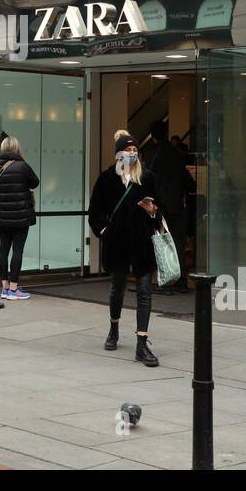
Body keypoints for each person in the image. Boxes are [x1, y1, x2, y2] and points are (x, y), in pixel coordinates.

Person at [88, 130, 162, 367]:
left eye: (135, 151)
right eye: (128, 151)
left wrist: (152, 211)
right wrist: (105, 232)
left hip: (141, 241)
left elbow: (160, 209)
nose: (132, 154)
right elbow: (95, 212)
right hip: (117, 241)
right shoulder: (107, 178)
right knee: (117, 289)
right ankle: (114, 328)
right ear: (119, 154)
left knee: (144, 291)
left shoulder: (147, 178)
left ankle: (142, 343)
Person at [0, 135, 39, 300]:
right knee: (17, 250)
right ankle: (13, 288)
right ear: (17, 149)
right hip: (20, 216)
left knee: (4, 249)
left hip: (2, 215)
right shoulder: (22, 166)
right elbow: (35, 183)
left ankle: (4, 287)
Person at [146, 120, 190, 293]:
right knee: (178, 242)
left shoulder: (152, 155)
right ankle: (181, 280)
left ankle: (165, 279)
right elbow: (185, 180)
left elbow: (149, 180)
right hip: (178, 204)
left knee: (162, 242)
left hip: (161, 206)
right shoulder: (178, 154)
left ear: (152, 135)